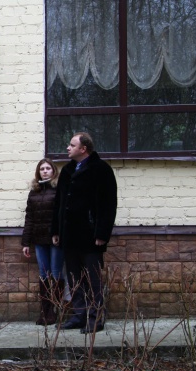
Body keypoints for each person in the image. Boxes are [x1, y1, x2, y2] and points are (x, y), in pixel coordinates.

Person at [51, 132, 117, 334]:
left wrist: (102, 233)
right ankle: (79, 315)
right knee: (74, 278)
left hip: (90, 236)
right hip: (69, 236)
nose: (68, 148)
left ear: (83, 148)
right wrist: (56, 230)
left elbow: (108, 204)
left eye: (72, 145)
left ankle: (96, 318)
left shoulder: (101, 169)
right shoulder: (67, 170)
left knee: (93, 279)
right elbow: (59, 203)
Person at [22, 158, 66, 326]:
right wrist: (26, 243)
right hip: (39, 239)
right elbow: (29, 218)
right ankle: (45, 311)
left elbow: (62, 215)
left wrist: (58, 233)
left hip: (55, 239)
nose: (45, 171)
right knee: (43, 274)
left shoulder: (59, 189)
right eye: (42, 169)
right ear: (38, 172)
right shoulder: (34, 192)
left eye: (48, 168)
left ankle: (55, 310)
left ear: (53, 171)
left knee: (56, 273)